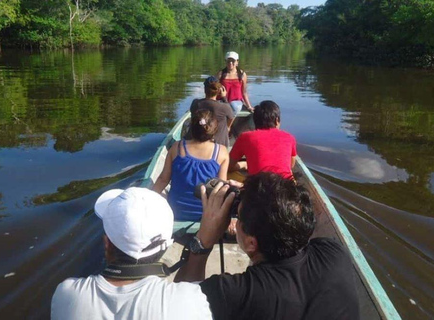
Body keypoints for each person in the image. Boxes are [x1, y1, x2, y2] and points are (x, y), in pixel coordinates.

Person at [175, 172, 360, 320]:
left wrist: (204, 241)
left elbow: (174, 308)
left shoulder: (234, 293)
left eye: (238, 218)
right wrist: (254, 198)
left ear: (251, 243)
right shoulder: (334, 252)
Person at [51, 187, 213, 320]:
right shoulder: (190, 301)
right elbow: (185, 296)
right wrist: (203, 246)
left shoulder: (66, 293)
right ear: (165, 246)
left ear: (107, 243)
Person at [153, 108, 229, 221]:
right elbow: (221, 189)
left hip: (174, 212)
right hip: (205, 216)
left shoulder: (176, 147)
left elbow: (162, 180)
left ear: (191, 129)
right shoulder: (222, 152)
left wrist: (146, 199)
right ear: (214, 131)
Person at [229, 100, 297, 180]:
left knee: (227, 174)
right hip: (286, 187)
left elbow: (229, 166)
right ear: (277, 120)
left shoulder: (245, 137)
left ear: (255, 121)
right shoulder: (289, 137)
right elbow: (290, 165)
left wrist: (244, 164)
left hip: (258, 189)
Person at [189, 76, 235, 147]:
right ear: (219, 90)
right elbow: (232, 117)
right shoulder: (224, 107)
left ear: (205, 90)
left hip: (198, 142)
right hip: (219, 144)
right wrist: (224, 98)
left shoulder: (195, 103)